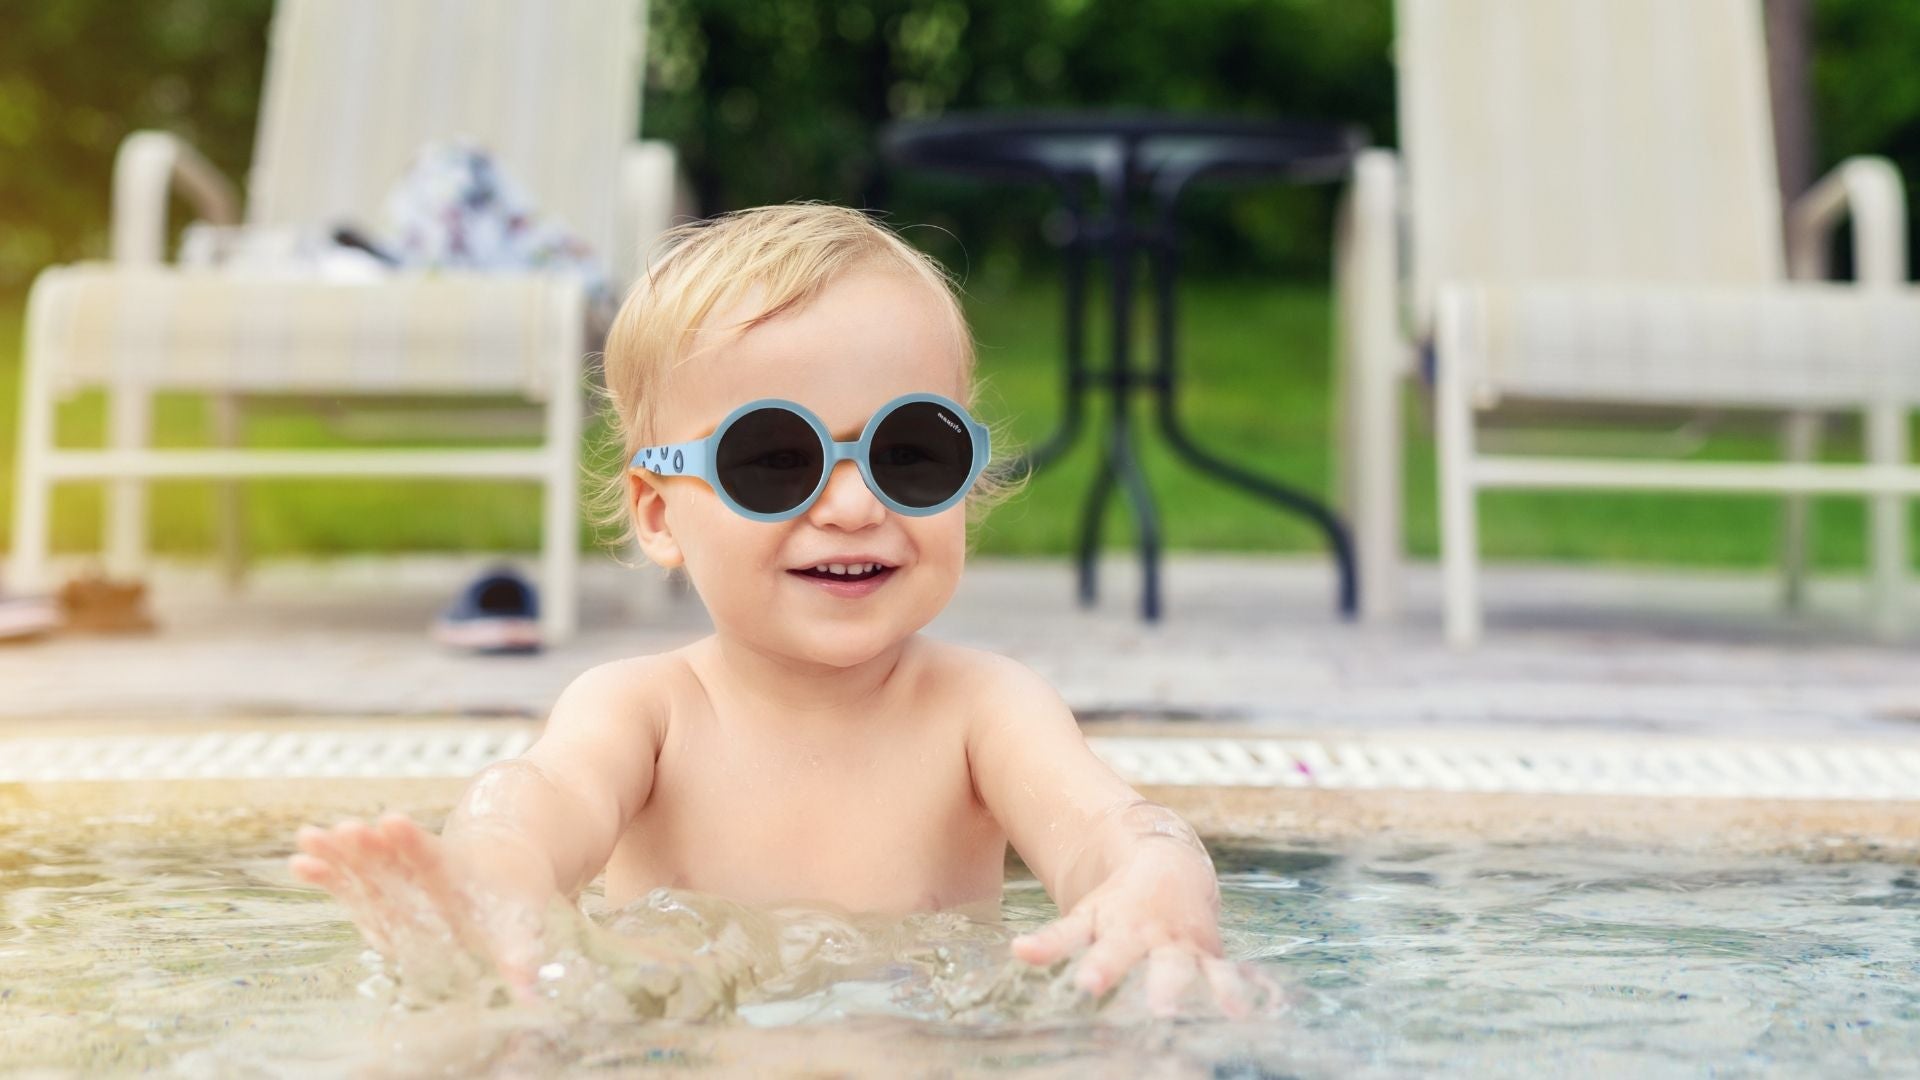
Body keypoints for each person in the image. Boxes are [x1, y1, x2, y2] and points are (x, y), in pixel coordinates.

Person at [289, 203, 1258, 1017]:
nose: (851, 506)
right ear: (661, 514)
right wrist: (493, 876)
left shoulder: (981, 712)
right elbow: (547, 800)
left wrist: (1159, 878)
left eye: (910, 453)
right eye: (772, 462)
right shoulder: (645, 711)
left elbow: (1103, 831)